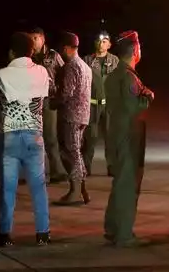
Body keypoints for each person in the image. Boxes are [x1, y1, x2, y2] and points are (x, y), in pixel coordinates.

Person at [0, 32, 52, 248]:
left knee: (8, 187)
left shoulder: (0, 74)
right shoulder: (42, 72)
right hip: (35, 135)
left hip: (11, 136)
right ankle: (43, 233)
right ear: (31, 51)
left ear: (11, 52)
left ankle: (4, 234)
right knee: (38, 186)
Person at [103, 32, 154, 246]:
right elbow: (134, 107)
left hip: (116, 133)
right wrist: (148, 97)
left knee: (119, 183)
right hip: (129, 136)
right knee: (127, 185)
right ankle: (124, 234)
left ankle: (112, 228)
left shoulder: (115, 75)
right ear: (134, 51)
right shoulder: (129, 77)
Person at [54, 31, 91, 206]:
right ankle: (82, 189)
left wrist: (53, 101)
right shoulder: (85, 66)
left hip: (70, 116)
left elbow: (66, 94)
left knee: (70, 153)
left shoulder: (71, 67)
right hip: (83, 116)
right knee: (76, 152)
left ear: (67, 48)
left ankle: (75, 191)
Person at [30, 28, 67, 183]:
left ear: (43, 39)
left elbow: (64, 73)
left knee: (51, 137)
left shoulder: (53, 55)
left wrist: (60, 93)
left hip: (48, 101)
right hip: (31, 101)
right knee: (33, 139)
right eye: (31, 38)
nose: (33, 41)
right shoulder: (27, 56)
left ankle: (56, 171)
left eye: (36, 38)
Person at [82, 31, 118, 176]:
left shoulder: (115, 61)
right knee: (90, 137)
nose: (101, 43)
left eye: (104, 41)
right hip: (92, 105)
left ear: (109, 44)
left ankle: (112, 166)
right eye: (98, 40)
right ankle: (85, 167)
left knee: (111, 137)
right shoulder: (87, 60)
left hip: (109, 105)